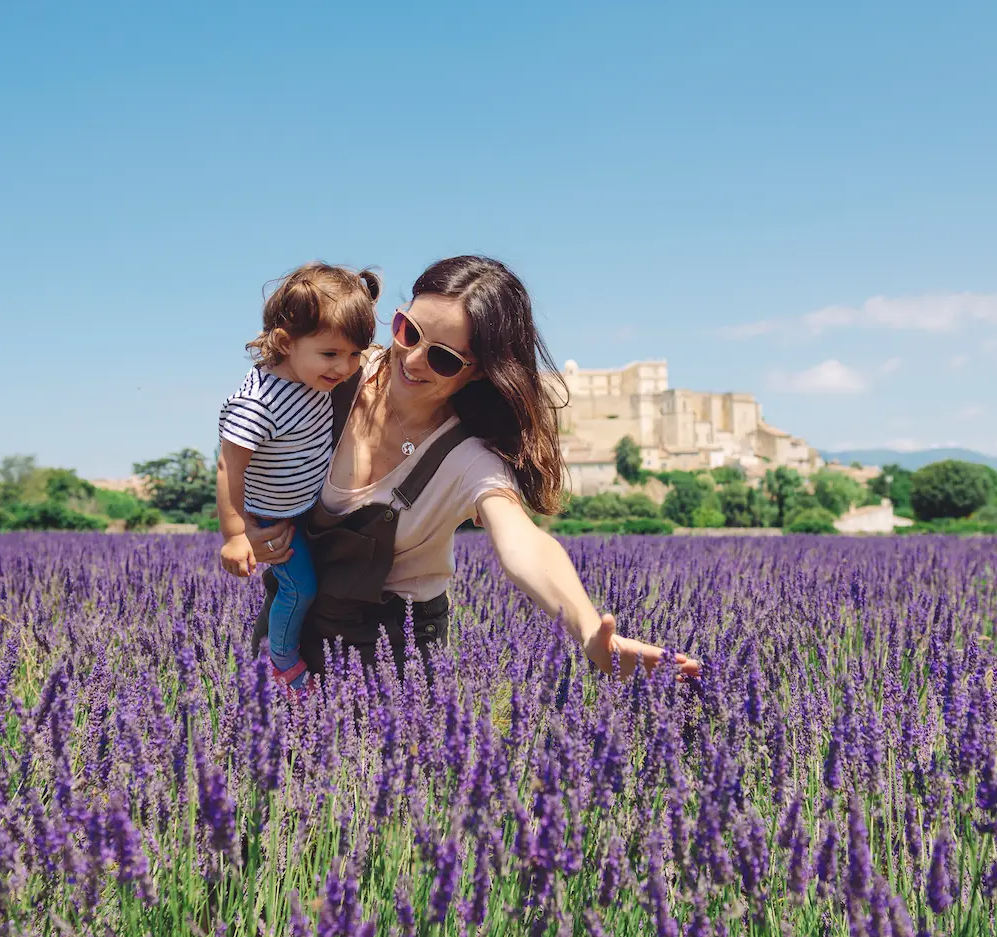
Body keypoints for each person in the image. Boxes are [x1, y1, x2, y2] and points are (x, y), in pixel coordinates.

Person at [235, 255, 698, 679]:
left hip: (393, 653)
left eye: (443, 357)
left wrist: (589, 631)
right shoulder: (335, 370)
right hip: (293, 627)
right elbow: (246, 436)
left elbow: (523, 544)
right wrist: (245, 525)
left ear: (479, 371)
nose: (413, 359)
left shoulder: (468, 456)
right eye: (408, 331)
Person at [216, 262, 380, 690]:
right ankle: (280, 657)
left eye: (353, 355)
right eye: (331, 354)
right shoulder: (257, 403)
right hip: (274, 518)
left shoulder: (313, 377)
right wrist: (236, 535)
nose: (343, 367)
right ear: (286, 343)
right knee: (299, 589)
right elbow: (228, 467)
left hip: (308, 503)